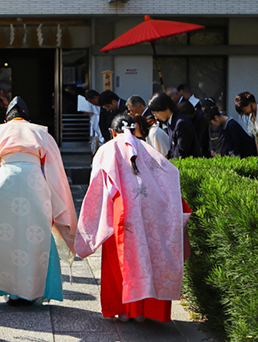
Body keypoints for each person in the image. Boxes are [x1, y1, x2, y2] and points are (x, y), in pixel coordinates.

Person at [75, 113, 191, 322]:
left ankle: (125, 311)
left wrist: (91, 222)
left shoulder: (107, 149)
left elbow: (97, 188)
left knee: (121, 261)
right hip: (151, 211)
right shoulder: (147, 149)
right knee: (150, 257)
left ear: (112, 132)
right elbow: (170, 174)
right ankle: (145, 312)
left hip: (121, 211)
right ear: (134, 128)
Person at [0, 97, 77, 306]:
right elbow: (55, 171)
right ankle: (32, 292)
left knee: (3, 236)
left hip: (3, 184)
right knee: (37, 234)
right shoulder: (41, 132)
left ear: (7, 120)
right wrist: (58, 204)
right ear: (28, 118)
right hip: (35, 185)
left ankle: (10, 292)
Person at [149, 93, 201, 159]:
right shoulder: (171, 121)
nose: (156, 117)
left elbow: (181, 152)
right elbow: (173, 150)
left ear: (165, 108)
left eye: (156, 113)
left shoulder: (181, 123)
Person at [84, 90, 104, 154]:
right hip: (97, 129)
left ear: (96, 97)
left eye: (92, 102)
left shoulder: (104, 106)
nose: (93, 104)